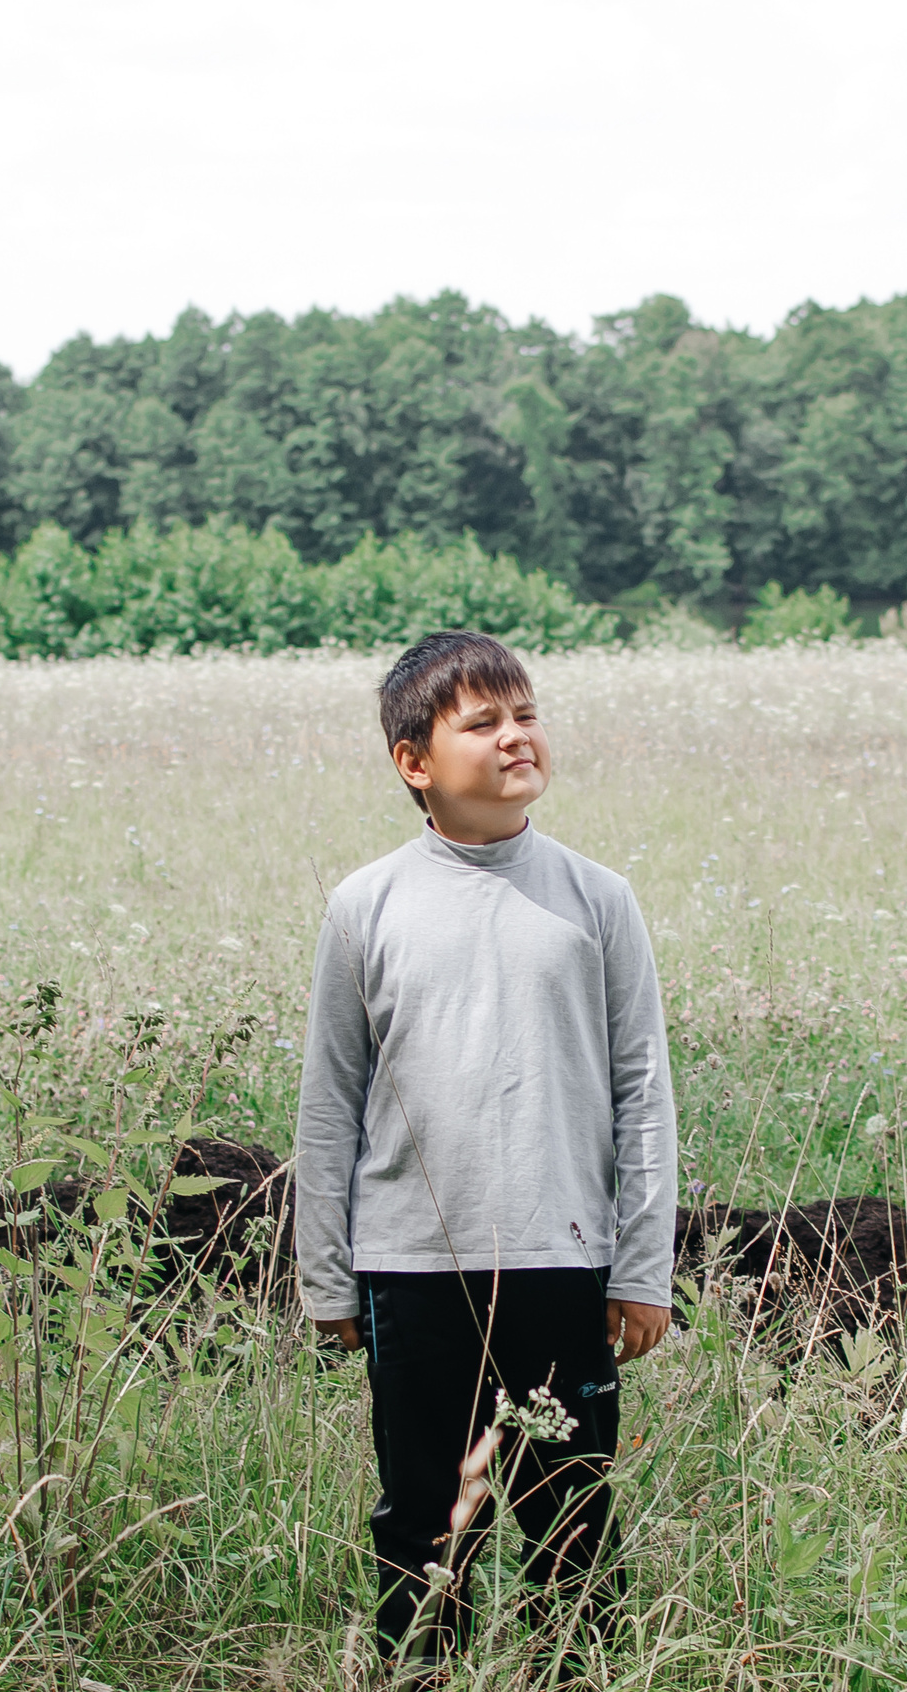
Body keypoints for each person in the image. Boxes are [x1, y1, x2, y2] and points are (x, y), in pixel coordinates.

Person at [296, 629, 679, 1674]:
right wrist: (325, 1276)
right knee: (423, 1524)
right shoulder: (365, 905)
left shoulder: (596, 898)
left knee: (572, 1525)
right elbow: (330, 1102)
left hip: (562, 1261)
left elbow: (644, 1091)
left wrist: (642, 1266)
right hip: (410, 1266)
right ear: (414, 761)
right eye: (483, 722)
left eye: (526, 713)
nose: (518, 737)